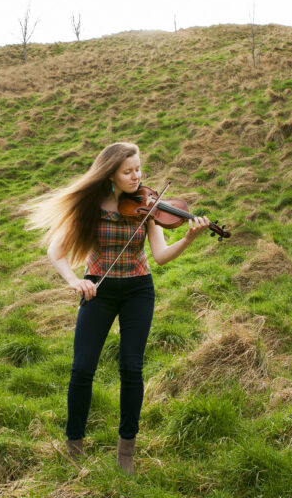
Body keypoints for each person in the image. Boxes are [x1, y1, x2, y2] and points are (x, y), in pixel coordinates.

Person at [22, 141, 209, 474]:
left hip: (138, 289)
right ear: (110, 174)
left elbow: (160, 256)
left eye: (138, 169)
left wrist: (188, 239)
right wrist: (75, 281)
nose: (136, 176)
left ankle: (126, 452)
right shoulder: (91, 207)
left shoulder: (147, 206)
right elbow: (56, 251)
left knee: (131, 368)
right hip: (100, 290)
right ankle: (74, 446)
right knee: (82, 368)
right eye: (128, 172)